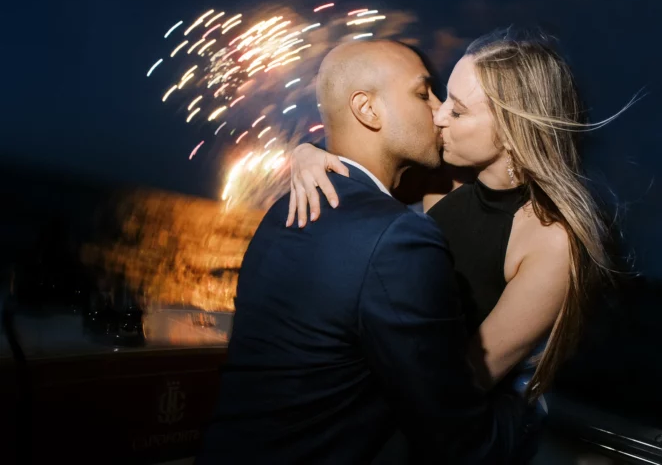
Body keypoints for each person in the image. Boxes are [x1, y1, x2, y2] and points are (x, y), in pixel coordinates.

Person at [197, 40, 530, 465]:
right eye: (422, 92)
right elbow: (456, 437)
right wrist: (527, 410)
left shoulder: (282, 213)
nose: (438, 109)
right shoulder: (398, 240)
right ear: (367, 110)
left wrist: (306, 151)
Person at [286, 31, 633, 404]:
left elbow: (465, 383)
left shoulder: (549, 241)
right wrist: (306, 154)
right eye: (441, 97)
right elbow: (363, 156)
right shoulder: (444, 180)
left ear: (512, 132)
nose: (438, 114)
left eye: (458, 109)